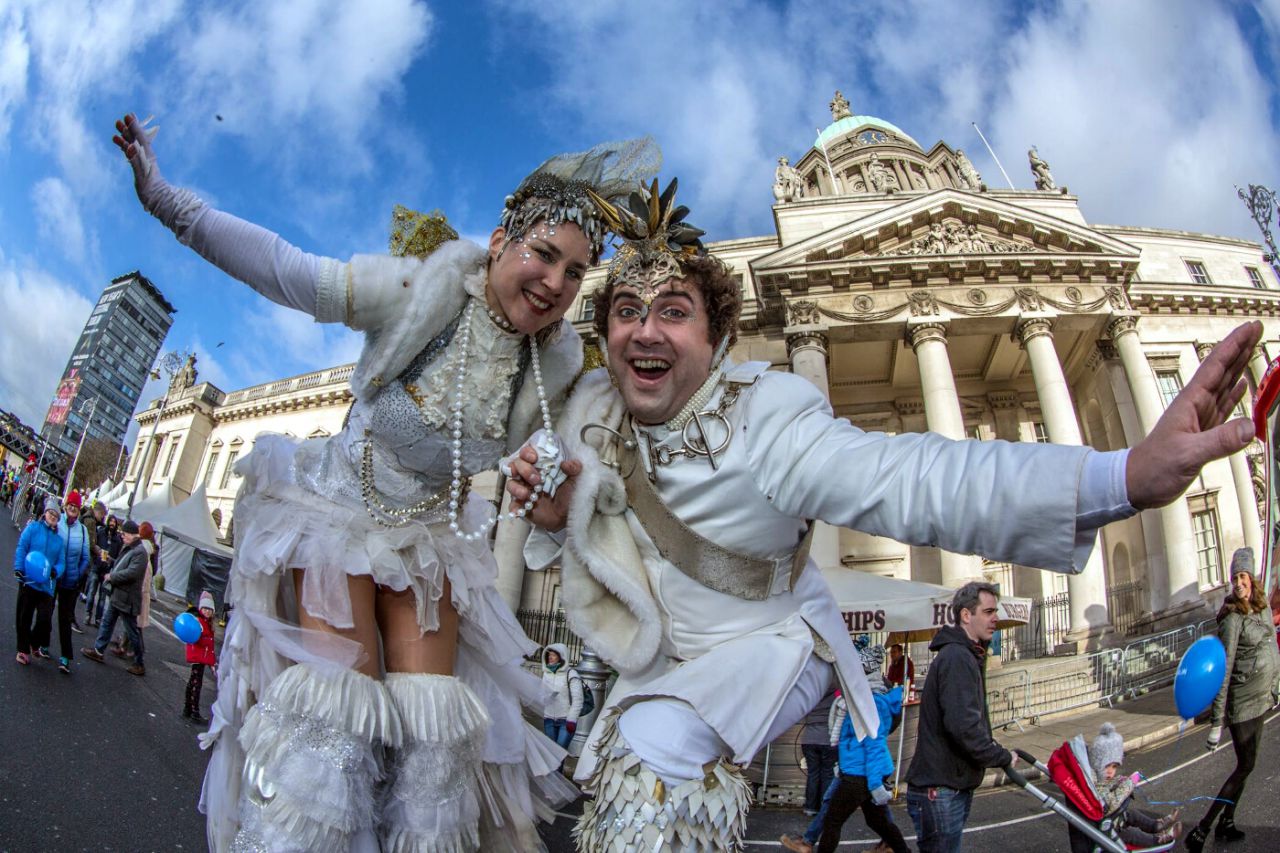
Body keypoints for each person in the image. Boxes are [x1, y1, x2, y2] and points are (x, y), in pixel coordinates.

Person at [509, 169, 1261, 849]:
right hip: (664, 656)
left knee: (654, 753)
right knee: (617, 780)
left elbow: (916, 479)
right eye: (627, 310)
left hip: (771, 639)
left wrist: (1123, 475)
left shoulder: (766, 415)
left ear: (719, 337)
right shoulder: (593, 414)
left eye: (673, 311)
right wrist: (560, 515)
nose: (645, 329)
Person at [112, 110, 658, 852]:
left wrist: (544, 475)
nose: (556, 284)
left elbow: (584, 441)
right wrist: (167, 201)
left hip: (430, 543)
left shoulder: (555, 363)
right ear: (501, 240)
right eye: (543, 254)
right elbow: (285, 269)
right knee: (335, 728)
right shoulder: (420, 289)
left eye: (574, 272)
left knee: (436, 752)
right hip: (338, 515)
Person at [905, 582, 1014, 853]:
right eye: (988, 612)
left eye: (995, 611)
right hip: (941, 787)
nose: (995, 618)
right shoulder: (957, 657)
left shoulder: (966, 655)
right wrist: (999, 756)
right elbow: (963, 726)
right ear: (966, 615)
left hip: (949, 784)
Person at [1185, 548, 1280, 851]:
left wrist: (1275, 685)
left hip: (1261, 697)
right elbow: (1222, 671)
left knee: (1247, 765)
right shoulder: (1232, 616)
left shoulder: (1261, 606)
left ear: (1251, 578)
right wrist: (1217, 722)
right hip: (1242, 701)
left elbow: (1271, 647)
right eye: (1234, 577)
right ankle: (1202, 829)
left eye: (1242, 576)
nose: (1238, 583)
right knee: (1245, 765)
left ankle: (1226, 822)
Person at [816, 644, 909, 853]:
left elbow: (874, 745)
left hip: (860, 774)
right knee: (877, 822)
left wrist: (875, 783)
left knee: (832, 821)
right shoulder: (866, 699)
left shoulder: (871, 702)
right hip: (861, 772)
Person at [1085, 722, 1181, 849]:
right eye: (1106, 766)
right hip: (1104, 830)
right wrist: (1129, 784)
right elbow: (1110, 804)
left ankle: (1155, 825)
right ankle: (1157, 840)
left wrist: (1119, 781)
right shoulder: (1094, 784)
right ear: (1096, 764)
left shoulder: (1100, 779)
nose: (1110, 771)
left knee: (1132, 814)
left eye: (1114, 767)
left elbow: (1107, 785)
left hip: (1111, 822)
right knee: (1131, 833)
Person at [82, 518, 147, 676]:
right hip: (119, 595)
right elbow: (122, 564)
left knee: (132, 632)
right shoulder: (132, 548)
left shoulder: (140, 552)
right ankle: (98, 650)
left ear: (132, 534)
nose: (122, 536)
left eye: (124, 534)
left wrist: (112, 576)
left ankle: (139, 662)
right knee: (107, 622)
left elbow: (132, 573)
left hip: (127, 598)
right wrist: (111, 561)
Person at [13, 496, 65, 665]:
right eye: (51, 513)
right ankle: (22, 650)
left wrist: (56, 571)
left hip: (47, 585)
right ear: (45, 513)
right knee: (24, 616)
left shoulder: (59, 540)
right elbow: (22, 547)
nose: (53, 517)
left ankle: (33, 643)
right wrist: (19, 568)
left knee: (44, 619)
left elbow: (61, 562)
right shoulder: (33, 528)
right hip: (28, 579)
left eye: (56, 515)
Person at [53, 490, 92, 673]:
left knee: (65, 619)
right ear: (65, 505)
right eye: (70, 505)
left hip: (70, 581)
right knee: (45, 613)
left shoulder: (82, 530)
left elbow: (86, 557)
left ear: (79, 509)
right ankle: (42, 644)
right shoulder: (56, 521)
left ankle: (65, 657)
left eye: (76, 506)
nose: (73, 508)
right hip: (53, 576)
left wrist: (77, 574)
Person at [183, 591, 219, 725]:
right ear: (200, 609)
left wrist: (212, 662)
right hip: (198, 658)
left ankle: (188, 709)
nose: (207, 611)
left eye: (210, 609)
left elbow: (209, 647)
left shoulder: (206, 624)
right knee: (196, 684)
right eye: (205, 609)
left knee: (193, 682)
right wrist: (211, 662)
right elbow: (202, 643)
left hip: (200, 658)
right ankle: (194, 711)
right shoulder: (200, 623)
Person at [540, 643, 584, 748]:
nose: (550, 657)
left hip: (565, 721)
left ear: (562, 657)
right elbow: (541, 695)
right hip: (549, 719)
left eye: (554, 655)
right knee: (551, 752)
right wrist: (547, 698)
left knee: (560, 751)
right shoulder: (546, 673)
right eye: (549, 655)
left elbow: (578, 699)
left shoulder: (571, 673)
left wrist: (571, 720)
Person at [86, 513, 121, 627]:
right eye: (111, 521)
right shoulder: (101, 533)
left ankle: (98, 619)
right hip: (96, 567)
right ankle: (88, 614)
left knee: (102, 597)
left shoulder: (117, 540)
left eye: (114, 522)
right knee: (91, 592)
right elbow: (93, 546)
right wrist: (97, 553)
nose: (112, 524)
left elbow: (118, 558)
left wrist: (111, 560)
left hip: (106, 571)